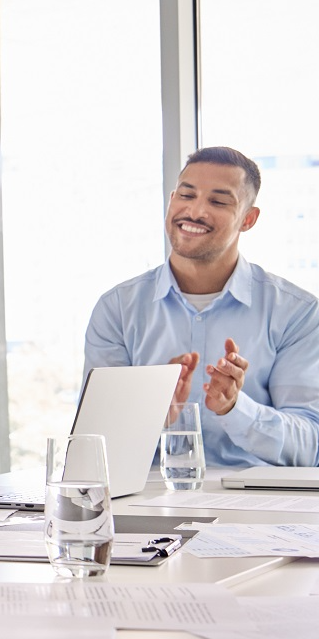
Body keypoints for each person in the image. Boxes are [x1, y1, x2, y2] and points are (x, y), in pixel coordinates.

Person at [83, 146, 319, 467]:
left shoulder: (298, 312)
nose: (195, 212)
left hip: (255, 505)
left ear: (248, 219)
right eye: (186, 195)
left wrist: (234, 408)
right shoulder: (116, 309)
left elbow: (310, 446)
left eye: (218, 201)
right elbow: (93, 443)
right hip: (148, 502)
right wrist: (150, 418)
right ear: (171, 201)